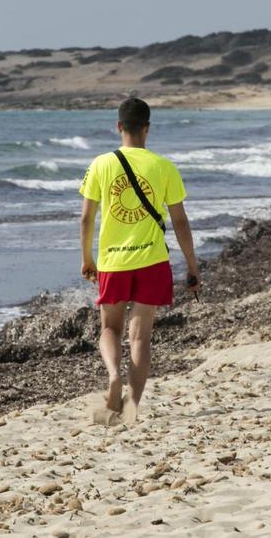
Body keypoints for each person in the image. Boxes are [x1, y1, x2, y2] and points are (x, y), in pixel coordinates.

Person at [79, 97, 200, 424]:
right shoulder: (163, 167)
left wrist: (87, 258)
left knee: (109, 328)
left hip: (113, 262)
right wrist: (192, 265)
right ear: (147, 128)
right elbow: (181, 221)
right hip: (151, 262)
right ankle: (131, 408)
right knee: (140, 337)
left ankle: (113, 374)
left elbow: (86, 219)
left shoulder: (100, 165)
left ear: (119, 127)